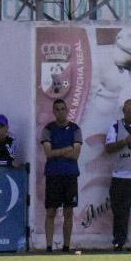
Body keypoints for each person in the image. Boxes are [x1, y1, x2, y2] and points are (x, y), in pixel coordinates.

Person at [41, 99, 82, 252]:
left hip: (70, 175)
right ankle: (49, 246)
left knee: (68, 212)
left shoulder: (75, 129)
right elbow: (48, 153)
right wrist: (67, 149)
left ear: (67, 110)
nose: (60, 112)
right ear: (54, 111)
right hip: (53, 175)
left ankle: (66, 246)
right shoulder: (48, 129)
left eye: (62, 109)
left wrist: (57, 151)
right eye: (57, 109)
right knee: (51, 211)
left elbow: (75, 155)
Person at [103, 98, 131, 251]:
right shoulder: (115, 126)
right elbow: (108, 148)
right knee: (120, 212)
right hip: (121, 176)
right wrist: (125, 141)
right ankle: (119, 242)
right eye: (128, 111)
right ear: (123, 111)